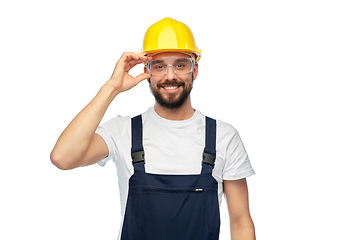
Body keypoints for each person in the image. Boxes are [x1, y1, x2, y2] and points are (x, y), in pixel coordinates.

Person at [51, 17, 256, 240]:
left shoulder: (223, 137)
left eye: (180, 64)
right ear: (147, 71)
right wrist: (112, 87)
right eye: (159, 66)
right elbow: (63, 157)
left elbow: (240, 222)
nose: (170, 76)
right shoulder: (123, 131)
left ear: (194, 70)